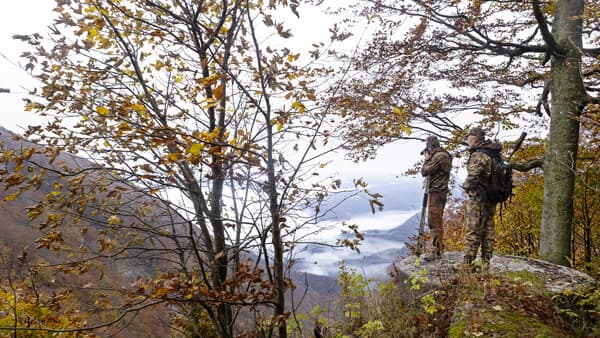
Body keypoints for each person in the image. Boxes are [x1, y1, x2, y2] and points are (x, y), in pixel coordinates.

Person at [462, 127, 502, 270]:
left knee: (474, 229)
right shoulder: (493, 153)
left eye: (469, 137)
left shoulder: (478, 155)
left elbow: (473, 176)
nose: (467, 140)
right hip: (492, 196)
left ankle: (467, 264)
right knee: (488, 229)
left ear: (475, 139)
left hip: (479, 197)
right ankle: (486, 262)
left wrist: (465, 187)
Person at [420, 135, 452, 260]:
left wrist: (427, 160)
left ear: (430, 146)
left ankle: (437, 251)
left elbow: (424, 171)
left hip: (437, 192)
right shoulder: (443, 155)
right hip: (437, 192)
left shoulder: (439, 156)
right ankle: (437, 250)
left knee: (434, 221)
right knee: (434, 220)